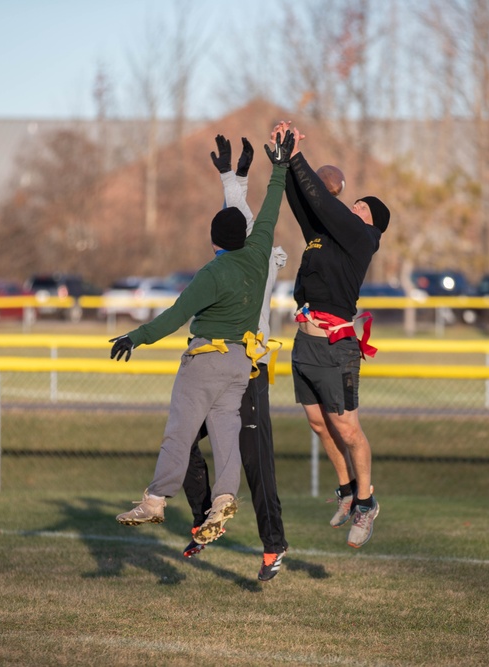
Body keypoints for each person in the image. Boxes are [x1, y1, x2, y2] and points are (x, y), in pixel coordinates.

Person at [111, 130, 295, 550]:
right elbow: (268, 212)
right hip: (239, 365)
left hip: (205, 361)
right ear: (246, 237)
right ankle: (224, 500)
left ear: (214, 241)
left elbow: (175, 317)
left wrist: (135, 337)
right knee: (226, 436)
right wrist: (280, 167)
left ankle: (156, 500)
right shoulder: (259, 255)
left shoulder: (211, 274)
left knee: (180, 432)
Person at [271, 120, 390, 549]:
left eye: (361, 206)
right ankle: (344, 490)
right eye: (353, 203)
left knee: (349, 429)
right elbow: (305, 206)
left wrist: (298, 155)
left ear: (372, 223)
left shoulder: (363, 239)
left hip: (336, 347)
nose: (353, 207)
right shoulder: (324, 237)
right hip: (306, 342)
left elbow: (321, 200)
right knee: (319, 424)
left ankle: (366, 501)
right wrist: (283, 165)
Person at [179, 134, 289, 582]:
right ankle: (207, 519)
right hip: (213, 365)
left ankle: (273, 546)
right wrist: (232, 177)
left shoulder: (258, 261)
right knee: (182, 442)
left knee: (255, 460)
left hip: (250, 368)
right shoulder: (232, 259)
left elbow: (250, 223)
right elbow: (237, 222)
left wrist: (236, 179)